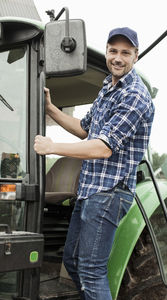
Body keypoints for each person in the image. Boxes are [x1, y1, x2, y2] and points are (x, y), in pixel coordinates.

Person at [34, 27, 155, 300]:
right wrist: (52, 109)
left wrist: (52, 147)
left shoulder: (134, 95)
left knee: (91, 270)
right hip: (90, 190)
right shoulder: (107, 88)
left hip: (110, 193)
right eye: (113, 51)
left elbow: (102, 148)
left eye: (126, 52)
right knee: (72, 260)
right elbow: (86, 130)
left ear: (136, 55)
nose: (118, 58)